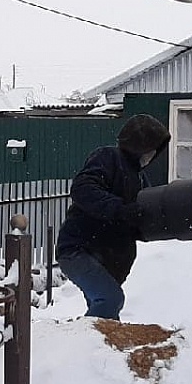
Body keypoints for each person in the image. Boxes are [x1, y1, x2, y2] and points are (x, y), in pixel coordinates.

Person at [55, 114, 170, 321]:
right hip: (79, 249)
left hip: (109, 260)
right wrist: (120, 209)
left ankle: (98, 350)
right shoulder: (107, 158)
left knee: (105, 316)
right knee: (109, 299)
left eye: (154, 151)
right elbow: (84, 189)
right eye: (149, 149)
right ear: (138, 144)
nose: (151, 155)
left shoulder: (140, 179)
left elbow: (138, 219)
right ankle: (81, 344)